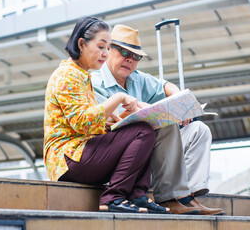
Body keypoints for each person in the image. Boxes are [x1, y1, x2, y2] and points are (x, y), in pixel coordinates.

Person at [91, 24, 225, 215]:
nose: (130, 59)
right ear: (109, 50)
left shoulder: (136, 78)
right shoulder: (95, 82)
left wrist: (181, 103)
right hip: (119, 159)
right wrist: (145, 110)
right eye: (124, 52)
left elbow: (165, 86)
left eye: (136, 56)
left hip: (146, 156)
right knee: (163, 122)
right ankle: (170, 198)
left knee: (199, 130)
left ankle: (188, 197)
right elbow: (111, 123)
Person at [43, 17, 170, 214]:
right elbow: (84, 123)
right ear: (81, 43)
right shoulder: (67, 75)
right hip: (68, 159)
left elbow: (90, 122)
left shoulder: (81, 75)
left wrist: (118, 121)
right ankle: (114, 198)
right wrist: (119, 97)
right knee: (142, 132)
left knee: (142, 126)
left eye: (108, 48)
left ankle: (137, 195)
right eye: (101, 46)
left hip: (78, 154)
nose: (105, 54)